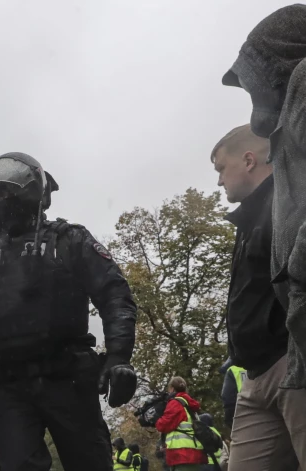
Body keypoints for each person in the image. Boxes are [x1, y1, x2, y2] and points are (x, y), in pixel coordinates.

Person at [0, 152, 137, 471]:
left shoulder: (70, 240)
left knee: (90, 463)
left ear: (30, 191)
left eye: (4, 190)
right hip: (11, 384)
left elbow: (114, 293)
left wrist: (119, 357)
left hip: (69, 377)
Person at [221, 13, 306, 462]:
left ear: (250, 160)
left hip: (292, 361)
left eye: (221, 168)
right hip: (253, 374)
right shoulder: (248, 219)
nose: (218, 182)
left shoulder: (286, 195)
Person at [155, 377, 207, 471]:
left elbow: (163, 425)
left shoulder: (175, 403)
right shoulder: (189, 403)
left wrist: (157, 418)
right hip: (193, 451)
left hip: (181, 453)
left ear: (172, 388)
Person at [218, 359, 247, 428]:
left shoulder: (233, 370)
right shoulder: (267, 365)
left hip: (242, 412)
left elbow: (228, 397)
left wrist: (229, 419)